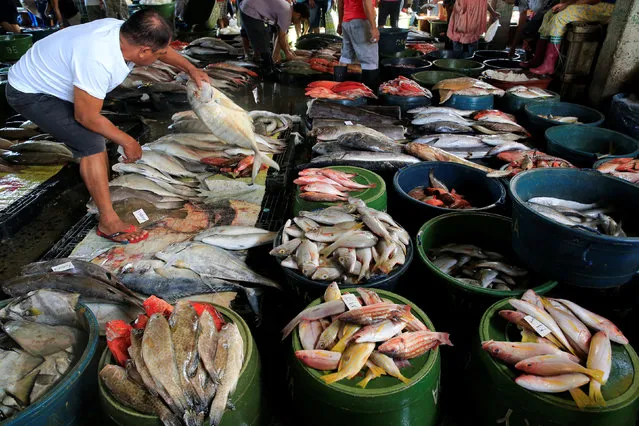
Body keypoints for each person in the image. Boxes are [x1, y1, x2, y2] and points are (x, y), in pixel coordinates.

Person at [6, 10, 209, 243]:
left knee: (96, 136)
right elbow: (86, 117)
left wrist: (191, 69)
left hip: (52, 79)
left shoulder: (124, 33)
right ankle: (107, 221)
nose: (162, 56)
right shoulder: (98, 58)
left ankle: (103, 188)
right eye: (158, 54)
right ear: (143, 51)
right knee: (91, 142)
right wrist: (128, 141)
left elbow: (161, 50)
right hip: (30, 92)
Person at [528, 0, 614, 75]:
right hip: (592, 3)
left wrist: (566, 5)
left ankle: (549, 64)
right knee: (549, 15)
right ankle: (538, 58)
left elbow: (594, 0)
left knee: (560, 17)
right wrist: (567, 3)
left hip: (608, 7)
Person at [239, 0, 309, 67]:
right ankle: (263, 67)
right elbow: (281, 36)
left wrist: (288, 51)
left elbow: (281, 35)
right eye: (300, 20)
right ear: (298, 14)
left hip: (249, 6)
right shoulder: (287, 13)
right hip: (250, 9)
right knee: (263, 44)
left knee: (261, 42)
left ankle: (257, 62)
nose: (298, 23)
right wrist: (287, 53)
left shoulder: (288, 8)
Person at [335, 0, 379, 88]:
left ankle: (338, 89)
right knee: (369, 61)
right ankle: (369, 96)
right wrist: (373, 27)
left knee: (346, 57)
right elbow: (366, 2)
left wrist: (340, 23)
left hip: (347, 21)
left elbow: (340, 3)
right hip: (361, 21)